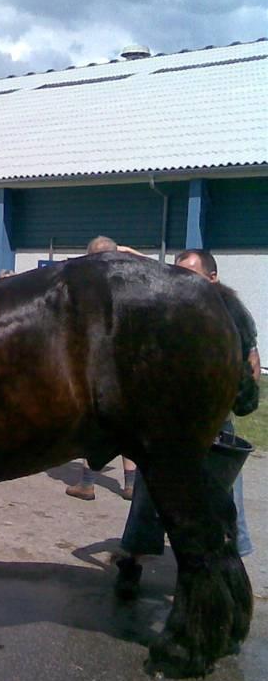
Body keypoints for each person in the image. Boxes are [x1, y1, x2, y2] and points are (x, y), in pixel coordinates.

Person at [115, 248, 260, 594]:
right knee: (149, 496)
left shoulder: (231, 315)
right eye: (177, 276)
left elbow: (250, 370)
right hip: (168, 425)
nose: (182, 285)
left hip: (212, 425)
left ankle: (230, 570)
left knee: (224, 497)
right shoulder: (171, 316)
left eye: (190, 276)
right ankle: (132, 559)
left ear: (212, 278)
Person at [66, 235, 137, 501]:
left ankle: (87, 484)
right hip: (128, 364)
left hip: (97, 365)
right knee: (126, 425)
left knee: (96, 424)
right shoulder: (129, 282)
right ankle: (130, 484)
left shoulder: (86, 286)